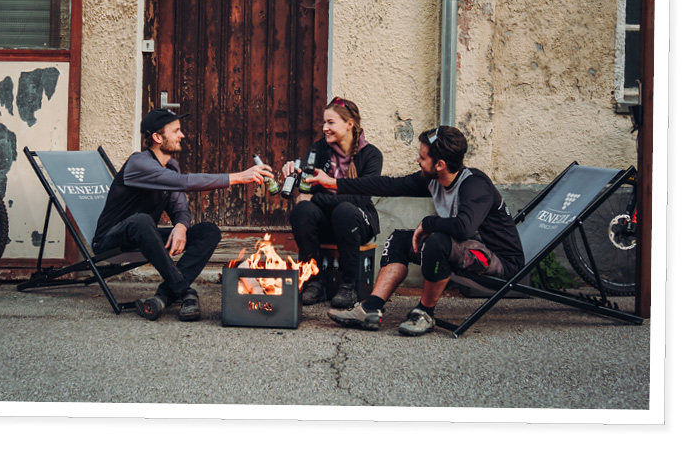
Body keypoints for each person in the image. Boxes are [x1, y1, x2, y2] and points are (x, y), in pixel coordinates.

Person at [307, 125, 524, 336]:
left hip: (499, 264)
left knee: (436, 241)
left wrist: (428, 223)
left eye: (422, 157)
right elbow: (387, 185)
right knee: (400, 240)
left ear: (439, 164)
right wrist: (334, 183)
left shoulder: (475, 186)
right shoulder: (434, 180)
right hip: (465, 252)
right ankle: (371, 308)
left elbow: (463, 228)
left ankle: (425, 313)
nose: (417, 161)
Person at [92, 108, 274, 322]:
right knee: (141, 220)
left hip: (144, 238)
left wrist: (181, 226)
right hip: (112, 241)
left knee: (208, 231)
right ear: (158, 138)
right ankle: (185, 291)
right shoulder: (138, 163)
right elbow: (184, 183)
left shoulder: (171, 165)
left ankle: (163, 297)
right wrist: (240, 177)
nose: (182, 136)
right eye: (176, 131)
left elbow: (180, 208)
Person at [282, 97, 383, 309]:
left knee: (345, 210)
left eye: (330, 123)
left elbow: (360, 198)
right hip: (327, 223)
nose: (325, 128)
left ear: (349, 124)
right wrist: (294, 175)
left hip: (356, 223)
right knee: (302, 211)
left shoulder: (371, 155)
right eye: (324, 123)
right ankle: (314, 281)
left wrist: (317, 197)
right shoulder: (319, 150)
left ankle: (349, 285)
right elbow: (308, 189)